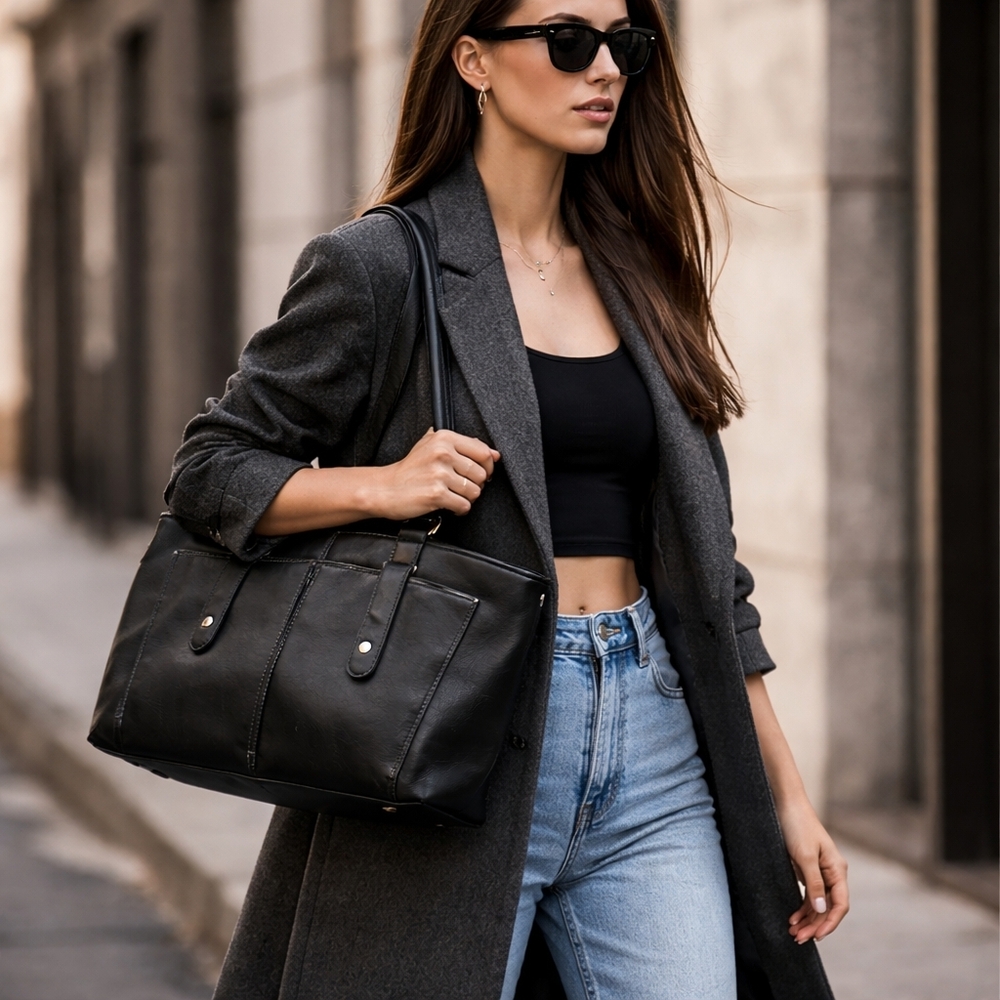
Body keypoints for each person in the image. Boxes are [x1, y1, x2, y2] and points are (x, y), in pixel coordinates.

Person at [167, 1, 848, 997]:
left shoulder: (640, 266)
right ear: (473, 60)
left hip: (654, 741)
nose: (605, 68)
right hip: (461, 742)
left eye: (627, 44)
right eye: (568, 41)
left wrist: (784, 794)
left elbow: (711, 571)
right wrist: (382, 485)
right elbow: (211, 471)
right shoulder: (379, 265)